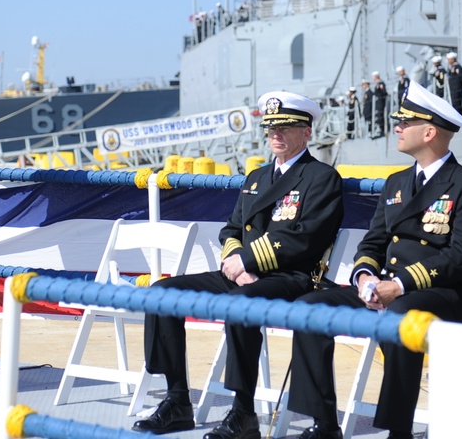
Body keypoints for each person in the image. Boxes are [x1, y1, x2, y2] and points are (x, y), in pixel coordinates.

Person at [287, 81, 462, 439]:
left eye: (405, 123)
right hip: (383, 288)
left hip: (437, 294)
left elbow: (460, 258)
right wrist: (365, 277)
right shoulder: (396, 183)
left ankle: (396, 431)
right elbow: (374, 241)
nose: (397, 127)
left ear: (429, 132)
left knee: (401, 319)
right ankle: (322, 422)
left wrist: (398, 286)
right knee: (310, 307)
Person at [133, 91, 344, 439]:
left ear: (306, 132)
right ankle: (177, 401)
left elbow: (305, 238)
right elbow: (231, 229)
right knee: (162, 293)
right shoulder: (257, 178)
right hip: (244, 273)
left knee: (240, 305)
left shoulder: (321, 178)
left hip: (291, 277)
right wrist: (236, 264)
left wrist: (248, 260)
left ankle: (243, 412)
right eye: (271, 128)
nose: (275, 135)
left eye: (286, 128)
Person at [370, 71, 387, 138]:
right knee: (378, 115)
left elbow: (383, 92)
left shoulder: (380, 83)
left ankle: (382, 130)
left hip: (380, 102)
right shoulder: (378, 83)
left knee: (380, 115)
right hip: (378, 102)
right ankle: (379, 128)